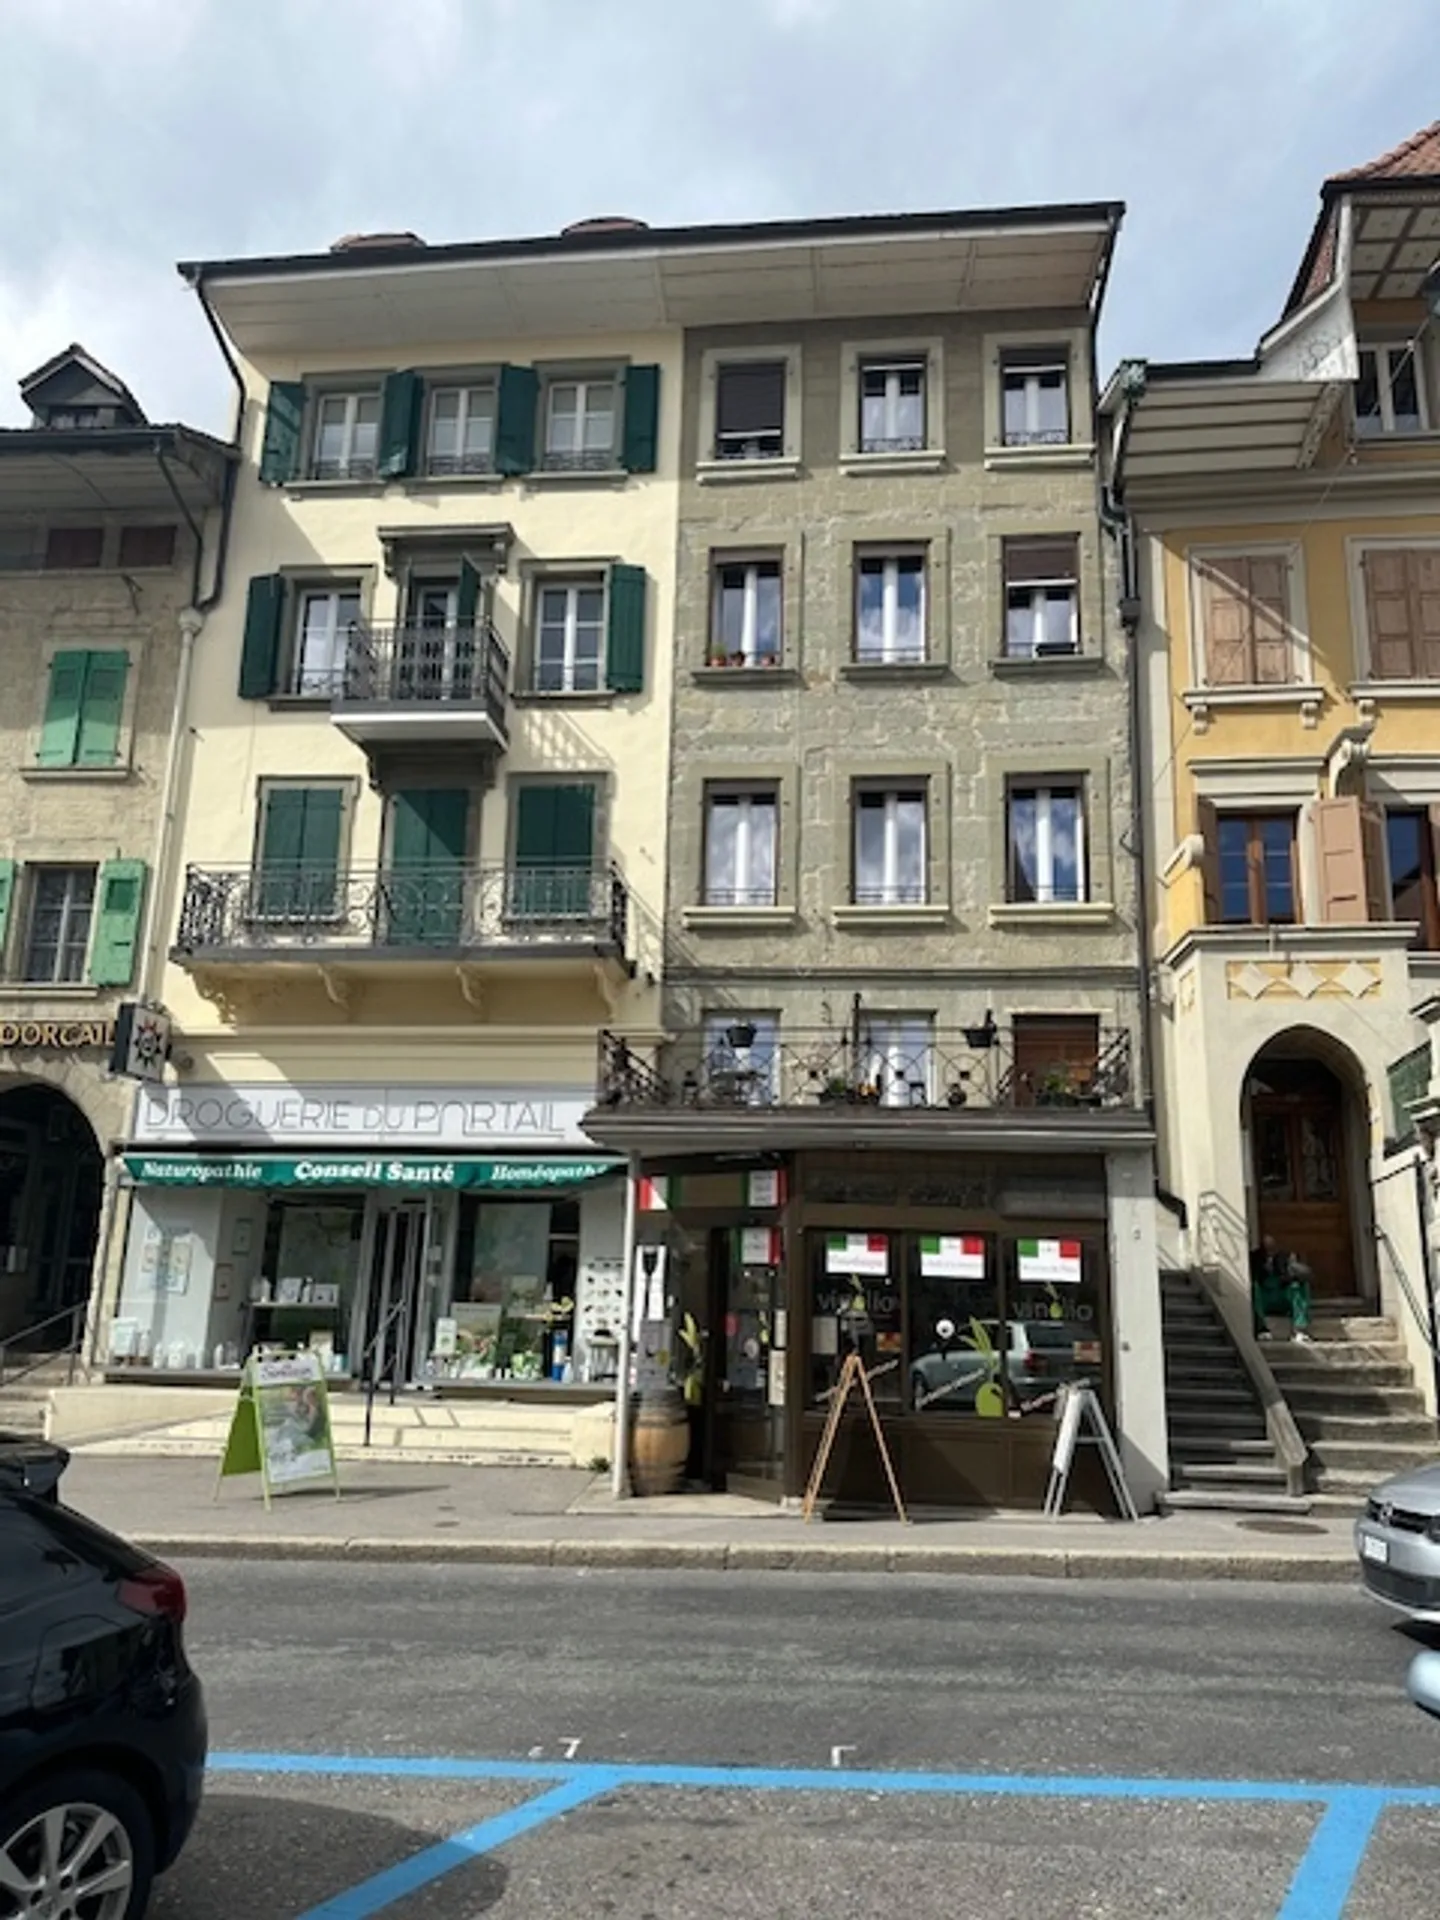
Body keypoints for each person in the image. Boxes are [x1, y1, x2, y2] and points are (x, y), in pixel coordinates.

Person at [1249, 1235, 1313, 1345]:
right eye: (1266, 1247)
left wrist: (1292, 1269)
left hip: (1282, 1294)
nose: (1269, 1251)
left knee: (1298, 1287)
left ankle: (1299, 1329)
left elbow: (1304, 1274)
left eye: (1272, 1247)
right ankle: (1262, 1329)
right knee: (1255, 1289)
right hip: (1264, 1297)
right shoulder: (1254, 1258)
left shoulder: (1285, 1257)